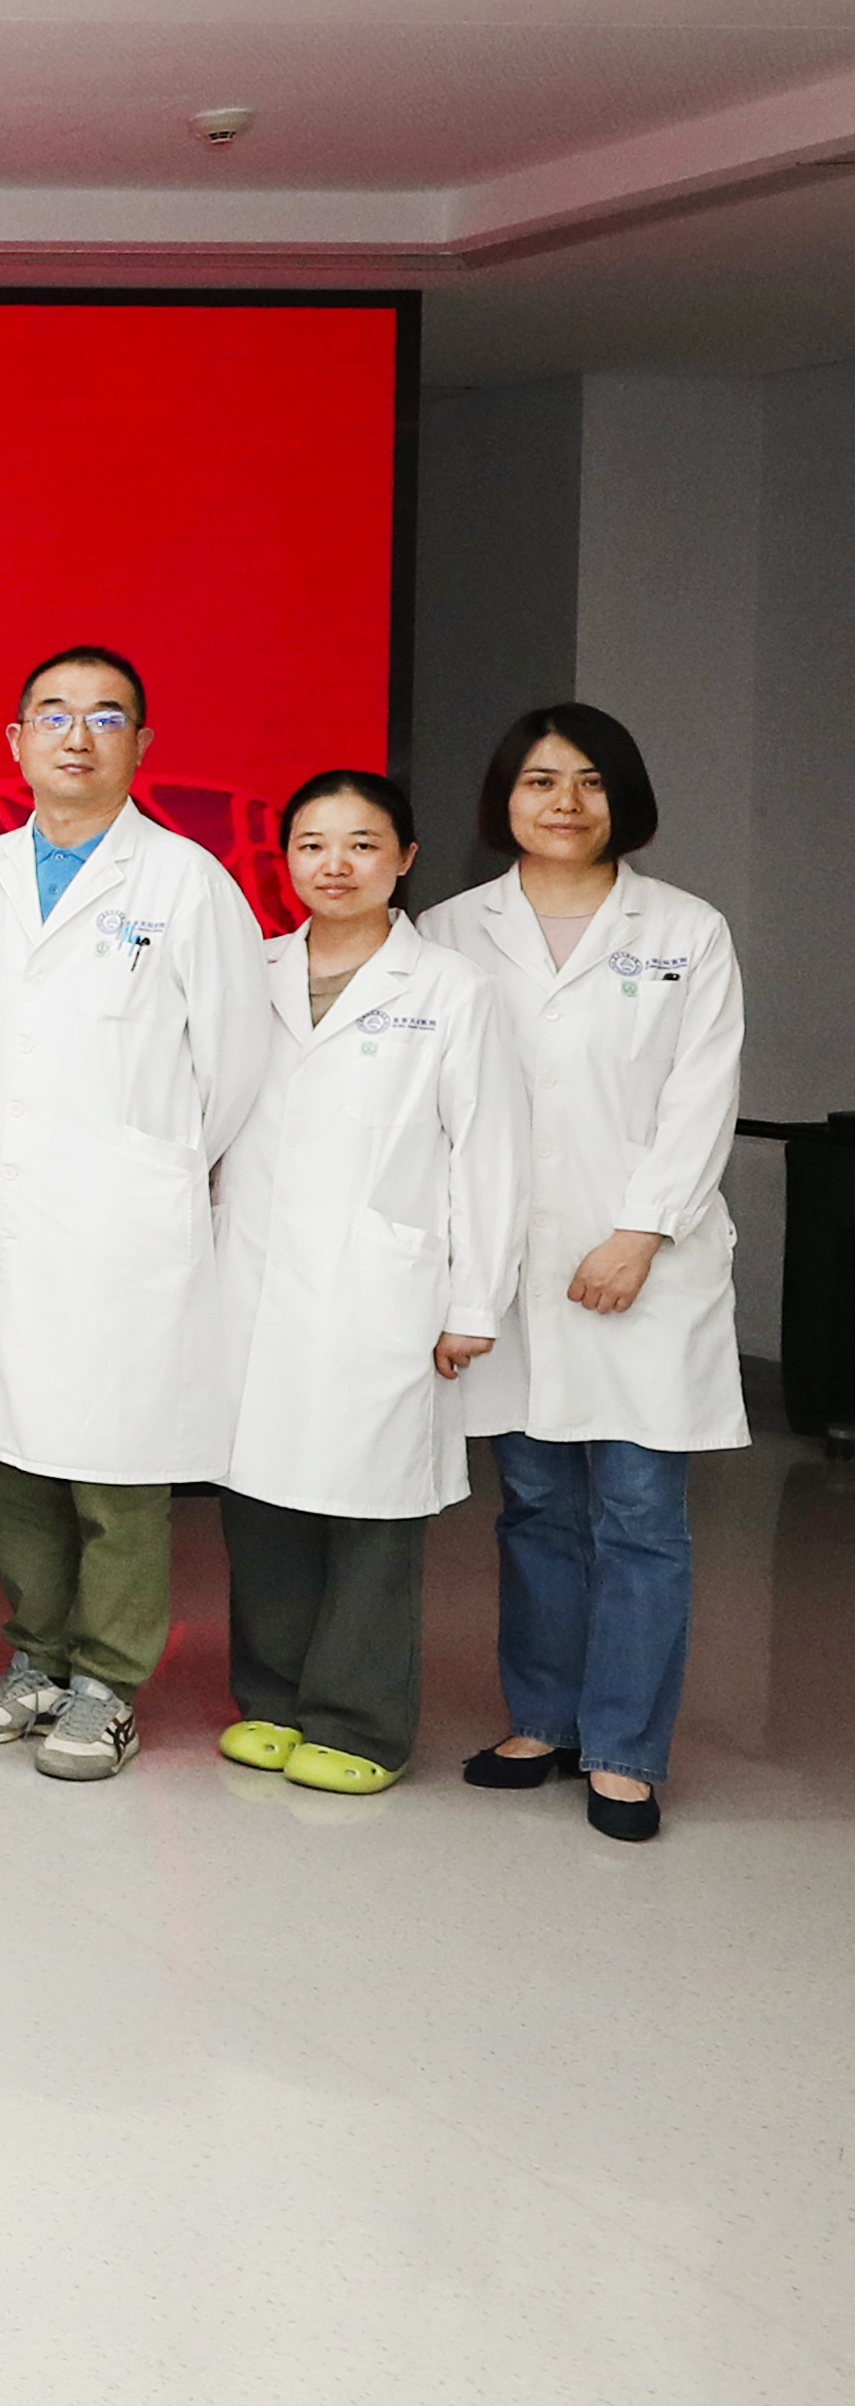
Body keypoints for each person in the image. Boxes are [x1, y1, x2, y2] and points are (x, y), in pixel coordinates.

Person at [0, 645, 275, 1782]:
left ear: (141, 745)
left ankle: (107, 1682)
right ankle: (34, 1656)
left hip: (120, 1217)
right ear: (14, 740)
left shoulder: (185, 884)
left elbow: (233, 1067)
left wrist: (146, 1165)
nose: (76, 737)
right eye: (54, 715)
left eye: (105, 717)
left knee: (114, 1460)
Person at [424, 705, 742, 1843]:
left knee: (640, 1515)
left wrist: (640, 1232)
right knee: (536, 1508)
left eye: (589, 781)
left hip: (643, 1265)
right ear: (502, 798)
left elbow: (702, 1093)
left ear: (624, 797)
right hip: (510, 1267)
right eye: (539, 780)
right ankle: (542, 1720)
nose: (563, 802)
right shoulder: (450, 931)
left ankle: (622, 1752)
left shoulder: (686, 930)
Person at [211, 771, 517, 1799]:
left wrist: (472, 1302)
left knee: (369, 1509)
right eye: (310, 844)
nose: (333, 865)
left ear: (404, 858)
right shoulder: (248, 973)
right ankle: (269, 1699)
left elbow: (485, 1153)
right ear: (284, 860)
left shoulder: (450, 989)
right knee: (259, 1496)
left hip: (383, 1284)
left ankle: (359, 1721)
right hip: (250, 1274)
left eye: (360, 844)